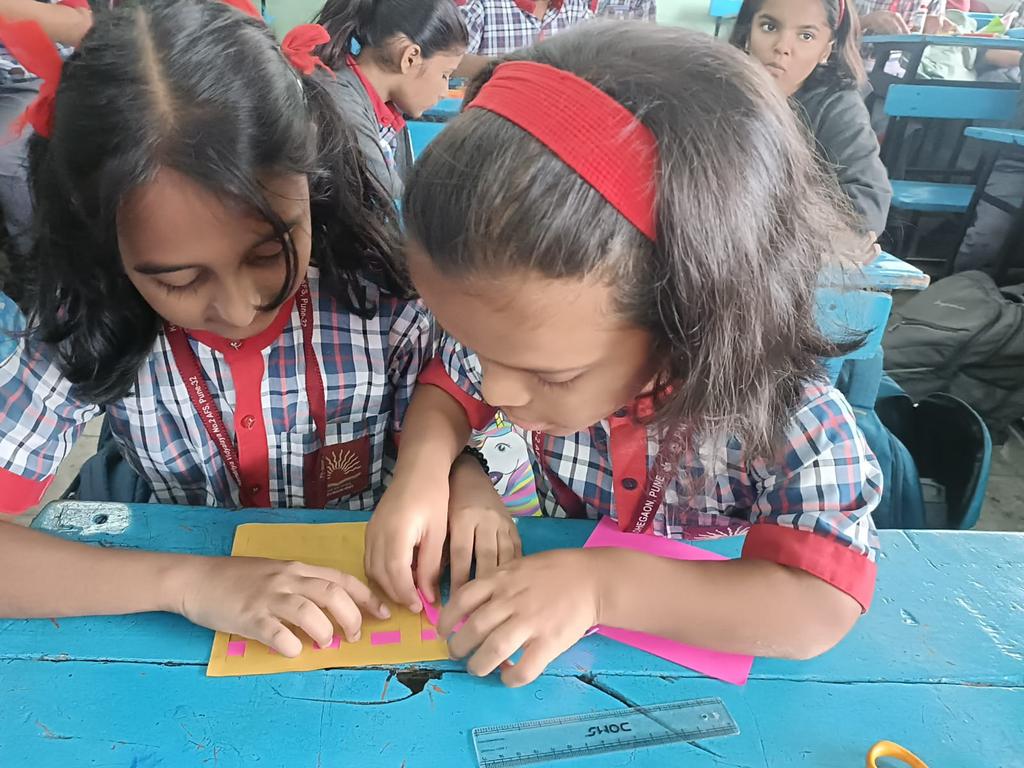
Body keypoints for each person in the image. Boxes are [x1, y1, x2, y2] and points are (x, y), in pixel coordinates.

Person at [364, 23, 883, 687]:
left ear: (691, 315)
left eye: (551, 375)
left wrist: (600, 588)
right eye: (478, 347)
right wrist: (426, 476)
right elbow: (448, 390)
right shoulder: (535, 342)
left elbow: (819, 607)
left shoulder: (790, 419)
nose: (496, 392)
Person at [0, 0, 495, 656]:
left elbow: (456, 392)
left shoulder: (382, 289)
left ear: (311, 178)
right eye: (177, 280)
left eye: (269, 253)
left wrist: (455, 474)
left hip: (369, 589)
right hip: (169, 621)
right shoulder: (86, 320)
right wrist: (187, 582)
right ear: (104, 242)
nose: (238, 308)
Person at [732, 0, 891, 237]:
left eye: (806, 36)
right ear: (748, 34)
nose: (782, 47)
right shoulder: (718, 91)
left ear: (825, 51)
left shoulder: (836, 106)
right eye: (768, 27)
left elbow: (867, 203)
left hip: (793, 254)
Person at [314, 0, 467, 199]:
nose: (444, 91)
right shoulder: (343, 107)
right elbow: (391, 199)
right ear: (410, 58)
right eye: (445, 75)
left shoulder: (384, 108)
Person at [0, 0, 92, 306]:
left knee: (13, 160)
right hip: (11, 88)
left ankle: (47, 274)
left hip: (41, 74)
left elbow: (82, 25)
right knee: (14, 163)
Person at [456, 0, 592, 78]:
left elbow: (593, 59)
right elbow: (453, 62)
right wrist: (512, 66)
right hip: (497, 112)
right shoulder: (483, 5)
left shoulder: (576, 7)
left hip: (556, 109)